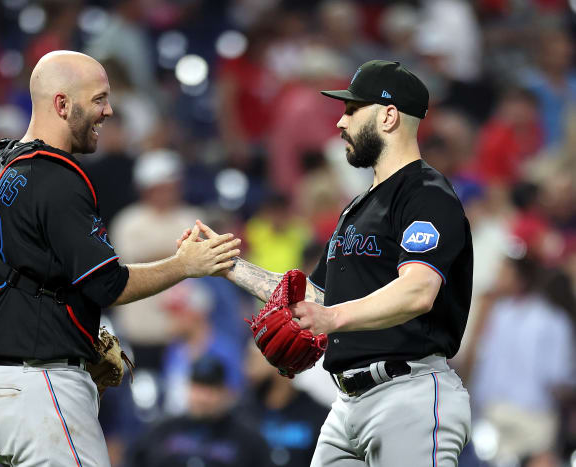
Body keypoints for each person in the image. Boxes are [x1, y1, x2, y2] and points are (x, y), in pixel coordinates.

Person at [0, 50, 240, 467]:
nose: (108, 111)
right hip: (43, 385)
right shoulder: (57, 177)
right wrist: (185, 264)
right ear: (62, 104)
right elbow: (110, 284)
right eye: (99, 99)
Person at [185, 60, 473, 466]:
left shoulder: (426, 194)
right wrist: (229, 265)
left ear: (389, 116)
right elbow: (313, 297)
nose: (340, 121)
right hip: (348, 403)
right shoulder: (357, 207)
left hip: (409, 393)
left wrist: (332, 317)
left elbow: (419, 290)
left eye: (353, 109)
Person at [128, 353, 274, 467]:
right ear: (188, 388)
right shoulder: (161, 431)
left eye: (211, 389)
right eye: (198, 388)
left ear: (225, 392)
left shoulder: (248, 440)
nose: (203, 397)